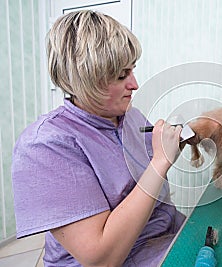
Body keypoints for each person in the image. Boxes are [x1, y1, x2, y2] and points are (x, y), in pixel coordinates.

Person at [12, 10, 185, 266]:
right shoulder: (45, 146)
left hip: (165, 237)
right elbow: (102, 258)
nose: (135, 84)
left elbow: (155, 150)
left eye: (132, 70)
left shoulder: (130, 116)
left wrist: (191, 133)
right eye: (120, 76)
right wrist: (160, 162)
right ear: (85, 81)